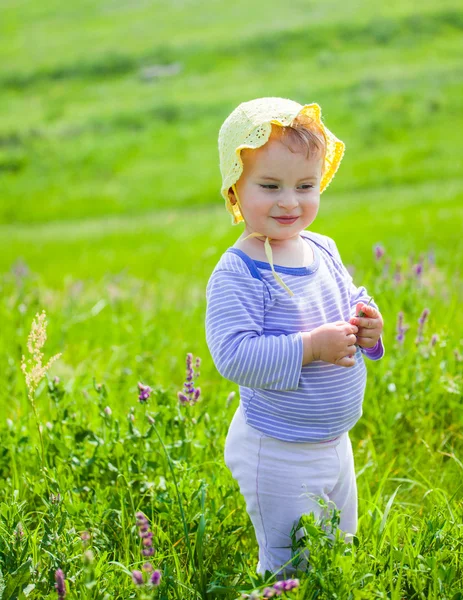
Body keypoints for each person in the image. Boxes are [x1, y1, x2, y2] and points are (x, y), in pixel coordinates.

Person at [205, 97, 385, 579]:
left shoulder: (322, 248)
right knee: (290, 564)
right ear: (235, 190)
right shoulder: (240, 272)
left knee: (339, 549)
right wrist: (309, 347)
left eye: (306, 186)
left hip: (335, 439)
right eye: (270, 186)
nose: (290, 201)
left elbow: (351, 297)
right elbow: (233, 355)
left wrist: (369, 325)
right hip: (277, 445)